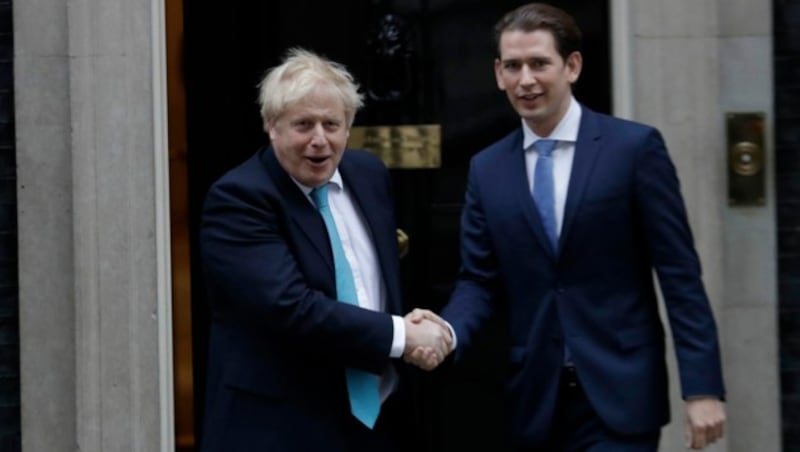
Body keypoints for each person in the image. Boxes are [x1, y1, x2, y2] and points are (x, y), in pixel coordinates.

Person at [432, 3, 726, 451]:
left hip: (619, 392)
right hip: (532, 397)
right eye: (513, 66)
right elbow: (478, 279)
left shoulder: (634, 150)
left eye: (539, 63)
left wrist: (702, 388)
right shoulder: (487, 168)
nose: (525, 79)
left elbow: (679, 273)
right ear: (498, 74)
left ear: (572, 66)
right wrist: (445, 332)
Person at [199, 48, 451, 452]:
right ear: (272, 125)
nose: (319, 140)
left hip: (377, 417)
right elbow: (290, 307)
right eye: (303, 124)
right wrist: (403, 334)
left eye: (331, 124)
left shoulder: (368, 175)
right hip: (281, 427)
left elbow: (377, 283)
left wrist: (416, 329)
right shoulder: (239, 198)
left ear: (348, 127)